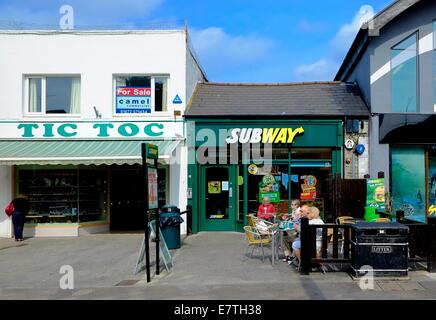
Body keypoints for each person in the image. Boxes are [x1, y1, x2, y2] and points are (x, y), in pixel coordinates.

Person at [291, 205, 324, 270]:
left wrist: (296, 227)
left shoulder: (310, 222)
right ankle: (315, 262)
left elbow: (302, 230)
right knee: (298, 240)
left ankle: (301, 262)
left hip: (311, 244)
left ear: (313, 214)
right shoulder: (320, 221)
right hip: (319, 243)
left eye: (308, 213)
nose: (306, 214)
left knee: (295, 244)